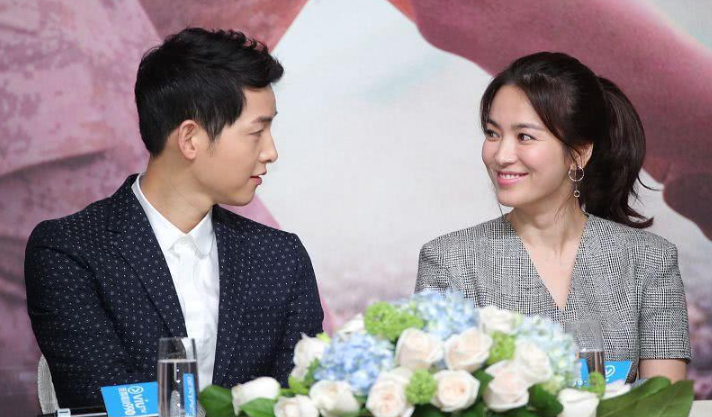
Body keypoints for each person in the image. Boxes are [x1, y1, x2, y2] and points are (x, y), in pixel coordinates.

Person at [24, 27, 324, 407]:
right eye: (256, 132)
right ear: (190, 139)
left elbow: (299, 400)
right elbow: (104, 399)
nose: (271, 152)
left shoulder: (280, 257)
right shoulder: (71, 250)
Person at [416, 52, 690, 383]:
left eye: (524, 136)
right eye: (492, 133)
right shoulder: (448, 261)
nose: (501, 155)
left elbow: (665, 400)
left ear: (579, 152)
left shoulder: (649, 261)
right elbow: (436, 390)